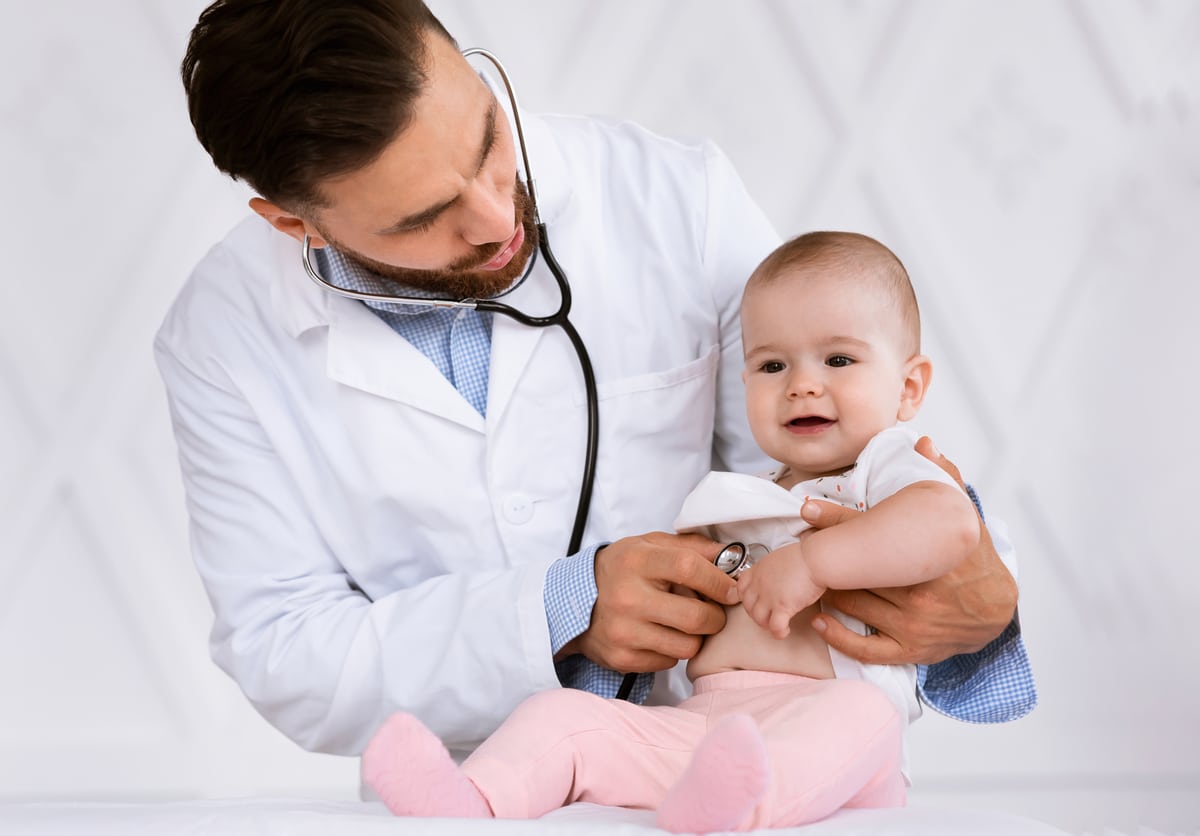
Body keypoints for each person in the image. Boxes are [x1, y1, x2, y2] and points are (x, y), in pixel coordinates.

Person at [158, 0, 1033, 761]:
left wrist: (980, 597)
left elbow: (836, 456)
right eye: (425, 218)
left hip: (752, 739)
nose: (498, 217)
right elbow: (286, 650)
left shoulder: (671, 197)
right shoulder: (223, 337)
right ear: (291, 222)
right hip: (477, 784)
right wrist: (557, 612)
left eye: (489, 139)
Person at [359, 231, 1015, 831]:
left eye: (839, 360)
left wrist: (814, 564)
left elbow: (948, 524)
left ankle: (742, 804)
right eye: (772, 366)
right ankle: (468, 802)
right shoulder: (741, 493)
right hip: (705, 723)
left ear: (909, 388)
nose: (802, 386)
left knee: (861, 717)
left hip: (829, 723)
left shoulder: (885, 467)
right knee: (564, 718)